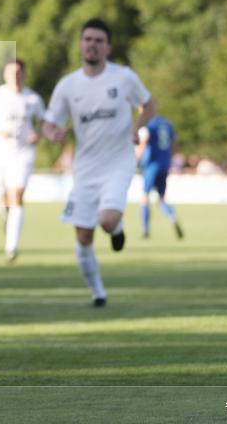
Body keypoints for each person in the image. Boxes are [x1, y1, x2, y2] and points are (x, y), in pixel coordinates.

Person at [42, 18, 155, 307]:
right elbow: (49, 122)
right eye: (87, 39)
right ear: (81, 44)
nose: (92, 44)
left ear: (108, 47)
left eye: (98, 40)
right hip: (85, 168)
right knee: (82, 236)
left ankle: (115, 228)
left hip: (118, 162)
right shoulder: (68, 85)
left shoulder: (124, 77)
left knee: (106, 220)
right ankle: (98, 293)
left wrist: (137, 126)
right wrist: (53, 133)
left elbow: (149, 104)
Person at [0, 59, 45, 263]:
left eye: (18, 72)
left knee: (17, 197)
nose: (15, 76)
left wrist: (37, 135)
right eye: (11, 73)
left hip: (22, 154)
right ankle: (7, 218)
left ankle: (11, 247)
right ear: (5, 75)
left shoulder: (33, 98)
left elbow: (44, 123)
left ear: (24, 74)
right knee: (2, 199)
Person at [136, 115, 183, 239]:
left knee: (144, 197)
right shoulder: (168, 124)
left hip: (152, 165)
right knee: (161, 199)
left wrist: (135, 159)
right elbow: (174, 142)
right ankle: (172, 216)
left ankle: (145, 230)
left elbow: (143, 143)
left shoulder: (148, 125)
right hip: (165, 163)